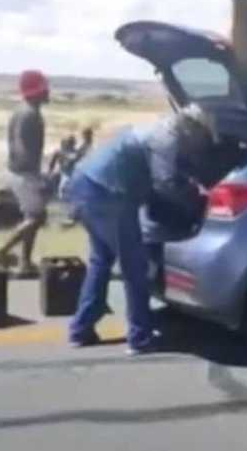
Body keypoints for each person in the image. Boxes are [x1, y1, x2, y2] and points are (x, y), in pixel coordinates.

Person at [64, 105, 216, 355]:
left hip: (84, 186)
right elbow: (165, 182)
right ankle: (139, 337)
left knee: (101, 261)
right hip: (109, 194)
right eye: (201, 133)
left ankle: (80, 330)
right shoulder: (167, 138)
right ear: (191, 127)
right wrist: (197, 199)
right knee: (136, 266)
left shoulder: (156, 130)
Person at [0, 70, 50, 277]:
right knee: (37, 217)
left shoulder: (23, 111)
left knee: (31, 218)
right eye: (44, 88)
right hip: (24, 172)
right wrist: (32, 174)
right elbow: (20, 145)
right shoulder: (29, 114)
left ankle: (25, 263)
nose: (48, 92)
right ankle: (2, 250)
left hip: (21, 170)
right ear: (36, 92)